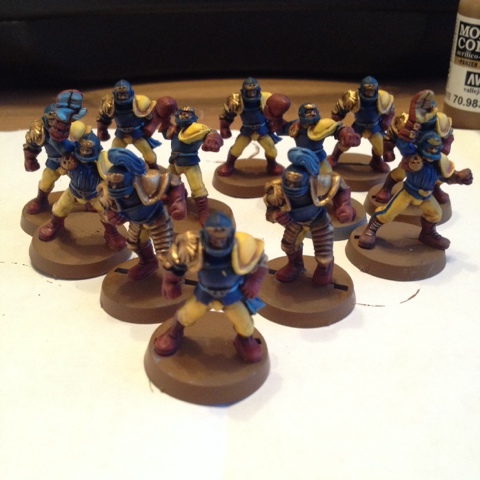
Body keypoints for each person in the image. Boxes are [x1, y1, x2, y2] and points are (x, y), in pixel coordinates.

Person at [155, 212, 267, 363]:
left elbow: (260, 263)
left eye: (222, 237)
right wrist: (170, 282)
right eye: (214, 237)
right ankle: (174, 333)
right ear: (205, 234)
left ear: (230, 234)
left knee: (244, 323)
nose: (218, 242)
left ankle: (244, 340)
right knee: (185, 315)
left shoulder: (243, 245)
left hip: (231, 294)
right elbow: (175, 264)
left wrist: (254, 281)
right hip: (204, 293)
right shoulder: (191, 246)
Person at [358, 132, 473, 250]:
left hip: (426, 197)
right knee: (388, 213)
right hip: (408, 193)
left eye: (435, 150)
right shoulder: (413, 157)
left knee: (435, 214)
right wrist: (407, 134)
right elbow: (404, 145)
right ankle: (370, 230)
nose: (432, 152)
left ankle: (427, 234)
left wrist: (460, 178)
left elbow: (447, 177)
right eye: (429, 149)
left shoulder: (439, 163)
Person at [100, 148, 186, 280]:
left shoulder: (148, 181)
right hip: (136, 222)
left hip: (157, 217)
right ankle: (148, 262)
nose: (116, 191)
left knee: (164, 250)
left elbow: (174, 182)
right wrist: (112, 216)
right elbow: (107, 210)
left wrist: (178, 201)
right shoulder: (108, 192)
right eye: (112, 186)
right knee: (135, 244)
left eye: (120, 187)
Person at [37, 124, 126, 251]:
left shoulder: (102, 162)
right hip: (73, 191)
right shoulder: (72, 158)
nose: (84, 154)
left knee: (106, 213)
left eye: (88, 151)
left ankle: (111, 232)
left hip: (95, 194)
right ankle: (55, 224)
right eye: (82, 150)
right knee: (60, 207)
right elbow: (59, 148)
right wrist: (57, 134)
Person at [264, 147, 340, 286]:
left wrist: (343, 205)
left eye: (296, 183)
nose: (291, 187)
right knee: (288, 245)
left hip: (319, 220)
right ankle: (295, 265)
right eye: (288, 182)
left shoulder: (322, 183)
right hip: (295, 221)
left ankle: (325, 268)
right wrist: (276, 215)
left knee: (324, 254)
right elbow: (270, 209)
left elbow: (341, 188)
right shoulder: (276, 190)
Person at [286, 102, 360, 223]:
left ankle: (343, 206)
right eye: (308, 112)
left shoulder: (322, 125)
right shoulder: (295, 127)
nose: (311, 114)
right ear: (301, 115)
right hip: (301, 162)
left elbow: (339, 129)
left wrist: (347, 134)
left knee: (336, 182)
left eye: (313, 112)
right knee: (292, 183)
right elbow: (280, 127)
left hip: (319, 162)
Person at [377, 90, 454, 204]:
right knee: (400, 173)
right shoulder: (408, 122)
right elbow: (392, 134)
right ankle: (386, 188)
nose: (424, 114)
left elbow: (448, 135)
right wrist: (388, 149)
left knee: (439, 174)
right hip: (414, 155)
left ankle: (435, 190)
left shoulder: (440, 121)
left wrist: (446, 145)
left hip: (434, 156)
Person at [23, 90, 87, 214]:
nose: (56, 123)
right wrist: (30, 159)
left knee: (83, 182)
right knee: (46, 181)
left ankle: (89, 200)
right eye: (52, 120)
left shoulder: (75, 127)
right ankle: (41, 200)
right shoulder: (41, 130)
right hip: (54, 162)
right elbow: (32, 146)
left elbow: (86, 143)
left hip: (74, 161)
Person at [96, 79, 177, 169]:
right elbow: (103, 118)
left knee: (150, 156)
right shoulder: (110, 105)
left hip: (137, 135)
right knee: (113, 154)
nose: (122, 97)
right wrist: (101, 130)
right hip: (121, 135)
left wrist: (152, 125)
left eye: (125, 94)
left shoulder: (141, 103)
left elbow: (156, 113)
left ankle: (153, 169)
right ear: (115, 94)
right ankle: (116, 170)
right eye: (120, 95)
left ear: (131, 93)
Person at [217, 77, 289, 176]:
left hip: (262, 130)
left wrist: (275, 120)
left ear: (258, 90)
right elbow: (227, 115)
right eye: (249, 92)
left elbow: (275, 112)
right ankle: (229, 164)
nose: (252, 94)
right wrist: (224, 127)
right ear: (243, 91)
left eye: (254, 91)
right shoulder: (237, 101)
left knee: (271, 149)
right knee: (237, 149)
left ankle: (272, 165)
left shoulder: (266, 98)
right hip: (247, 130)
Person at [164, 106, 223, 224]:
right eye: (182, 113)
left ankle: (203, 212)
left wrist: (214, 138)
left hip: (190, 164)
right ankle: (178, 198)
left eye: (188, 114)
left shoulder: (196, 130)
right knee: (167, 184)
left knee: (198, 188)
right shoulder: (174, 129)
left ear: (194, 117)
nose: (184, 116)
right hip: (174, 162)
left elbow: (210, 132)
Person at [328, 76, 395, 173]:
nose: (370, 93)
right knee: (346, 142)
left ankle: (376, 161)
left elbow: (391, 110)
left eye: (372, 90)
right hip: (358, 126)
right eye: (367, 90)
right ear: (362, 89)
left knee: (381, 147)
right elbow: (339, 110)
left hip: (374, 127)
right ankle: (334, 157)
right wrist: (336, 124)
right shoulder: (353, 98)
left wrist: (386, 120)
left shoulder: (383, 98)